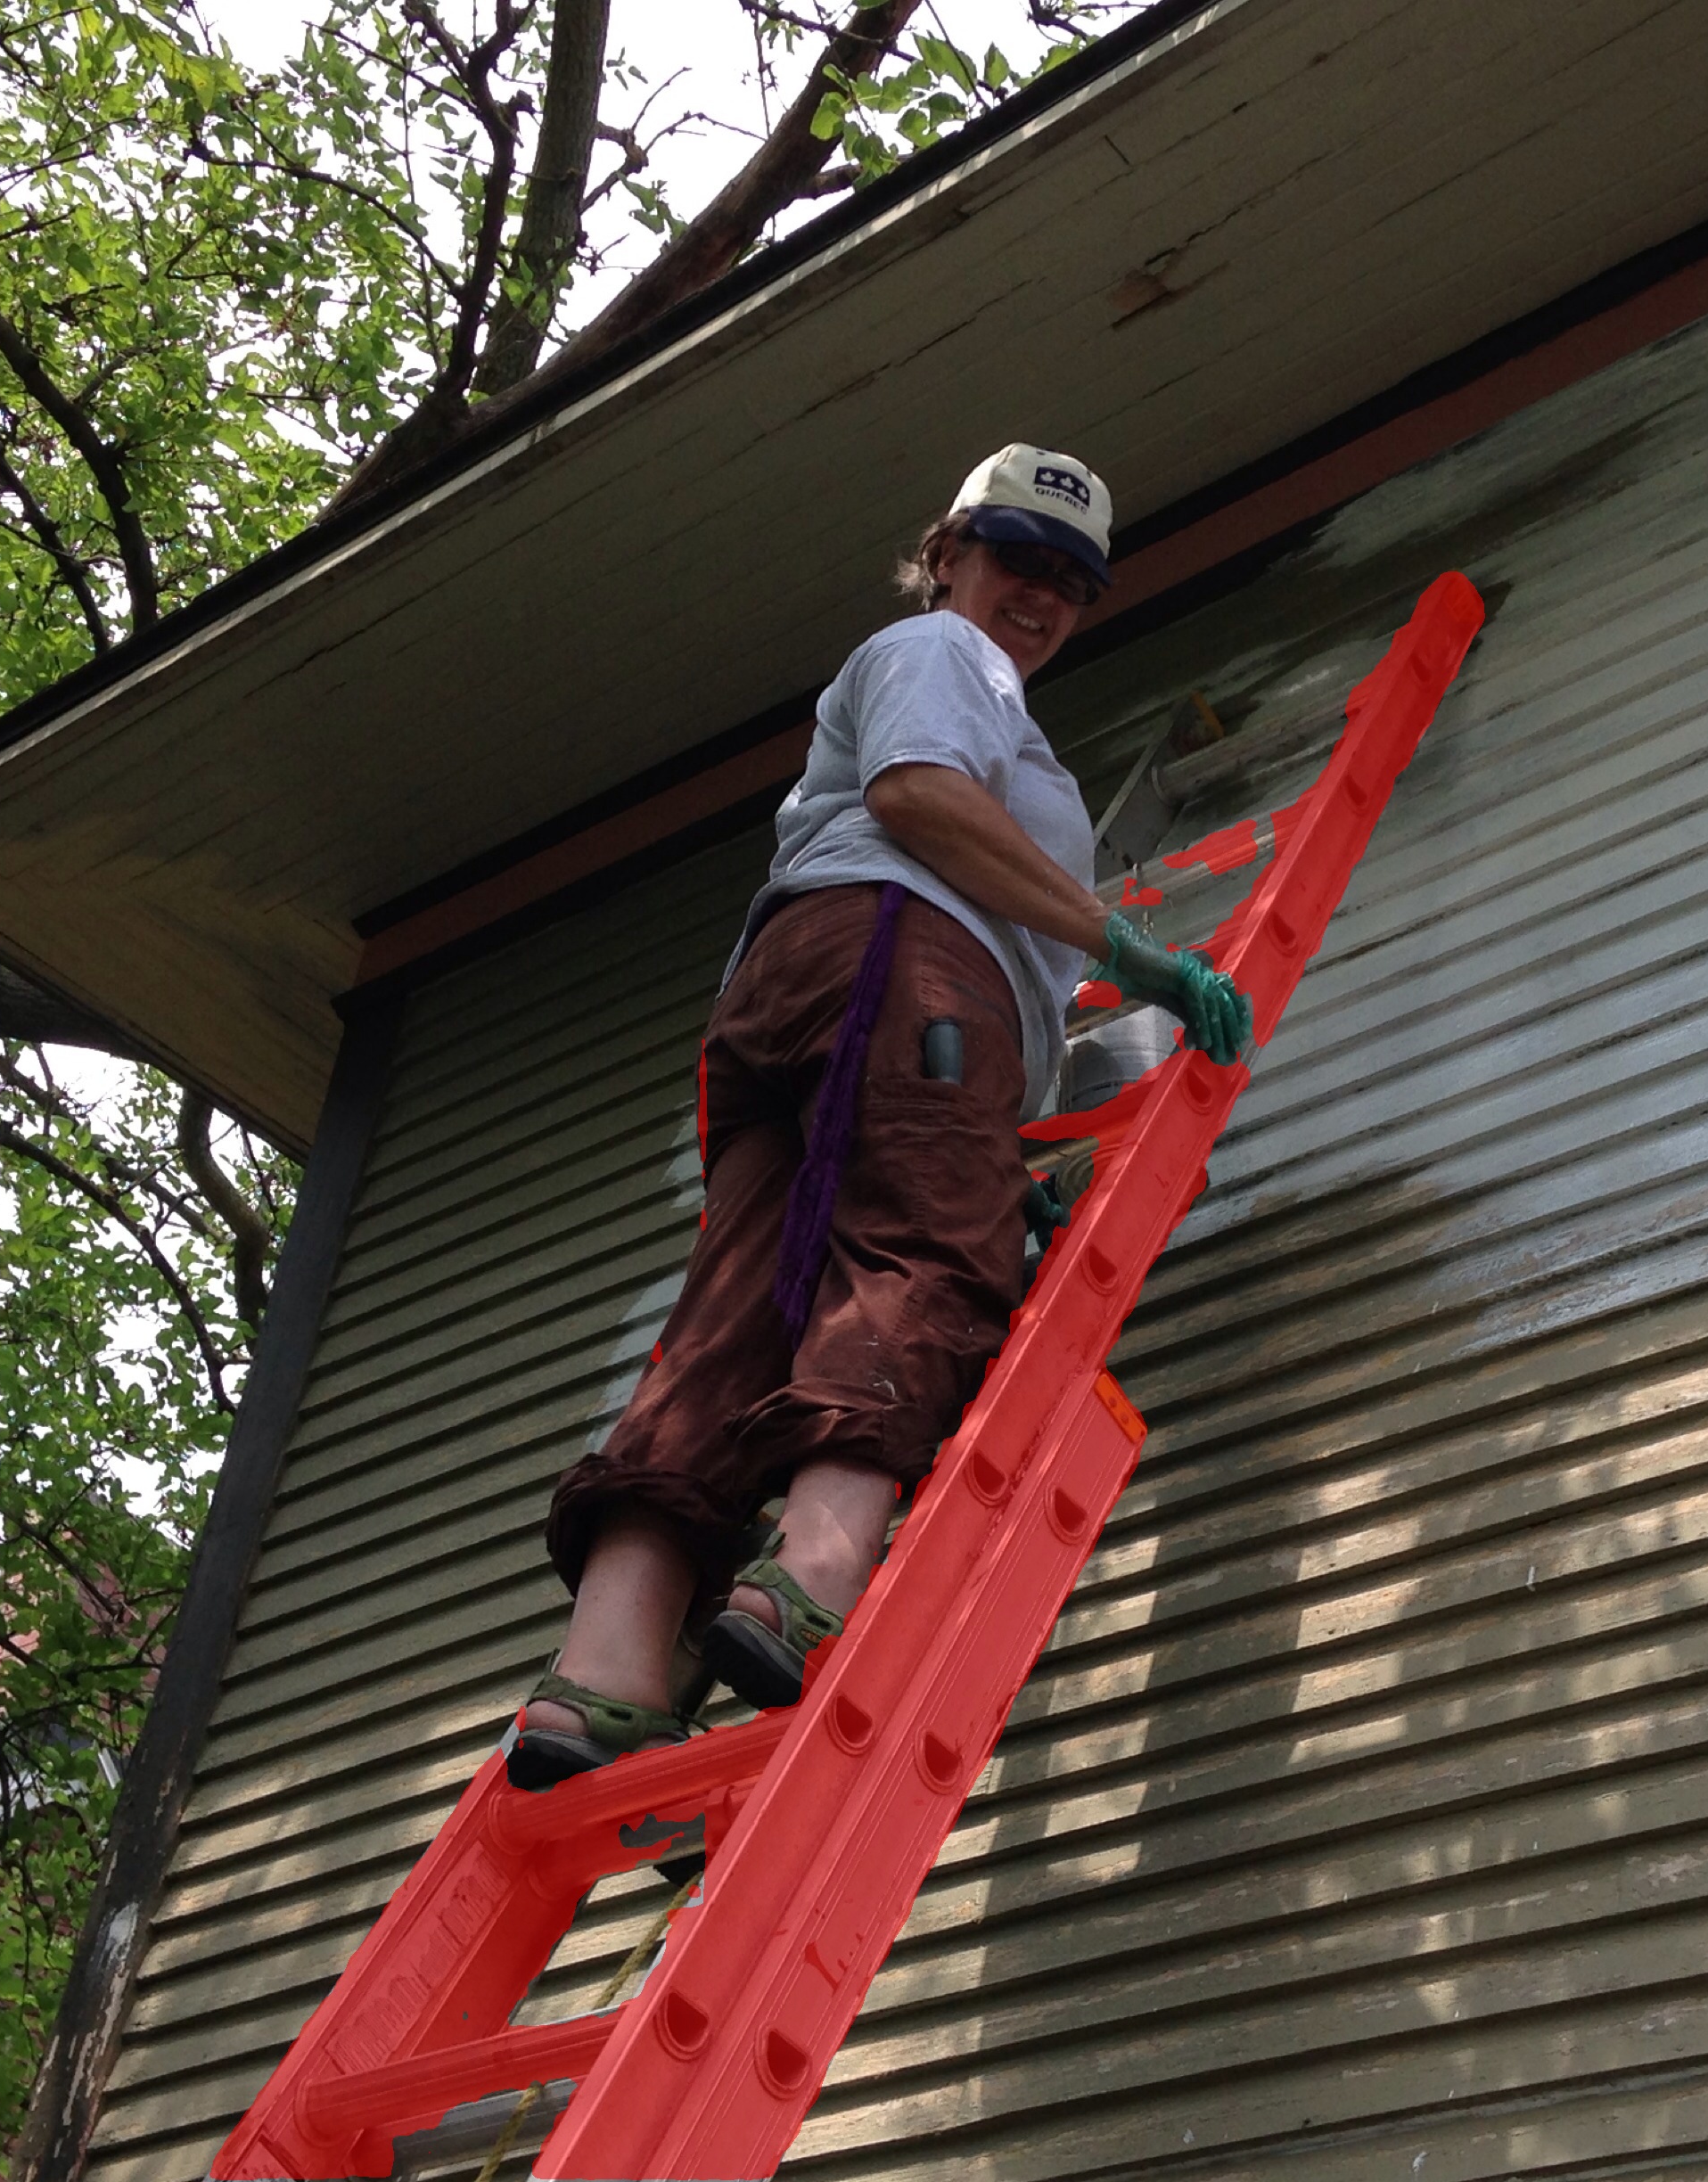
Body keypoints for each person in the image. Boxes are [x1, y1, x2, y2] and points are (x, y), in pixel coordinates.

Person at [511, 445, 1253, 1786]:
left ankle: (602, 1677)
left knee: (740, 1322)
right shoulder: (945, 654)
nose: (1042, 597)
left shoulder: (964, 683)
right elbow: (917, 795)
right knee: (929, 1254)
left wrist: (988, 1145)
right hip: (902, 962)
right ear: (947, 553)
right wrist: (1123, 951)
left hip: (818, 996)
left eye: (1074, 583)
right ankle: (808, 1575)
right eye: (1019, 558)